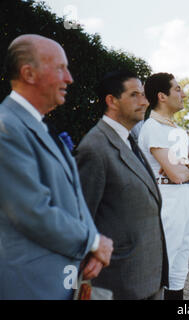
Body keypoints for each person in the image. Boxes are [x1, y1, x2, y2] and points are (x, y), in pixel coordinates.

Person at [0, 34, 113, 299]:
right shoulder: (7, 127)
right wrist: (93, 242)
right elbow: (31, 210)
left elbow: (72, 196)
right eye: (61, 68)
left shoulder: (37, 125)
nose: (69, 78)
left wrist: (90, 245)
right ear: (29, 73)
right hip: (30, 287)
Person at [75, 70, 168, 300]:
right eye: (135, 95)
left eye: (144, 94)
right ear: (111, 101)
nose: (145, 101)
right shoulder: (95, 147)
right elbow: (81, 216)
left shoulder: (129, 140)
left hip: (148, 279)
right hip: (118, 283)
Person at [138, 72, 189, 300]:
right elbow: (177, 175)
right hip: (165, 199)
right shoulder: (152, 128)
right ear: (162, 96)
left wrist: (182, 163)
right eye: (177, 89)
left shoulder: (177, 130)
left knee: (179, 270)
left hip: (184, 200)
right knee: (161, 267)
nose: (183, 93)